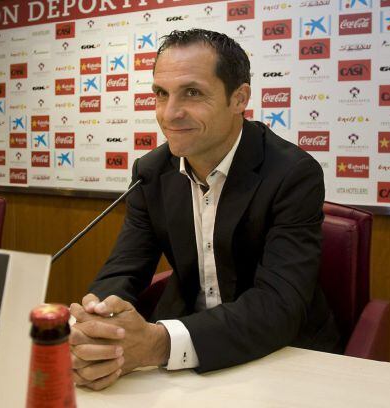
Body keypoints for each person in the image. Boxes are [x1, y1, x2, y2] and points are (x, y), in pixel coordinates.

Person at [69, 29, 340, 390]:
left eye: (192, 93)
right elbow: (124, 269)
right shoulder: (151, 172)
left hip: (282, 353)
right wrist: (96, 323)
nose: (170, 113)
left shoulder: (292, 173)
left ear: (238, 98)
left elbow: (278, 305)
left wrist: (158, 343)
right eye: (161, 94)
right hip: (183, 355)